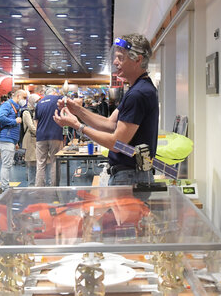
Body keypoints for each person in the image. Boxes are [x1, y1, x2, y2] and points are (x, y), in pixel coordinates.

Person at [54, 34, 159, 186]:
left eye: (120, 58)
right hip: (130, 174)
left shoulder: (138, 94)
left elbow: (117, 144)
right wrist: (78, 110)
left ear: (138, 59)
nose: (116, 62)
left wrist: (78, 126)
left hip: (130, 176)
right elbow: (110, 124)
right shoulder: (138, 89)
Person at [0, 89, 27, 194]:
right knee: (6, 165)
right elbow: (0, 117)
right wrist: (14, 121)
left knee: (8, 164)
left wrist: (16, 142)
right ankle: (4, 188)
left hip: (11, 140)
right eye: (24, 97)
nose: (25, 100)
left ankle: (5, 186)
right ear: (18, 95)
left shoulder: (16, 107)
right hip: (5, 139)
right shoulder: (7, 105)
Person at [34, 89, 64, 186]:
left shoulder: (39, 103)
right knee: (55, 161)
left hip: (40, 136)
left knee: (40, 163)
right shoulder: (58, 99)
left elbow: (36, 122)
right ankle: (54, 187)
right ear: (54, 93)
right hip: (55, 136)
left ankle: (39, 187)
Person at [21, 93, 39, 186]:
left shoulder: (37, 110)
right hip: (30, 140)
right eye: (36, 102)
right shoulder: (26, 112)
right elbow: (31, 127)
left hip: (37, 140)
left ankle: (37, 184)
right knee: (31, 164)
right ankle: (31, 185)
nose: (38, 103)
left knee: (37, 164)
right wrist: (41, 133)